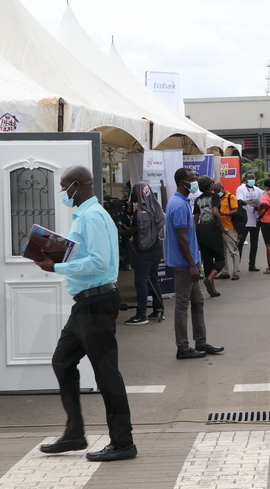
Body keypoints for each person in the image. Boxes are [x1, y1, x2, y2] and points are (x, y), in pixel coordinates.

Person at [34, 165, 136, 462]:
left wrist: (57, 266)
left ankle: (123, 442)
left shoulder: (92, 217)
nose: (62, 192)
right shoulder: (85, 215)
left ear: (76, 185)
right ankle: (74, 433)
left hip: (97, 302)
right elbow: (86, 256)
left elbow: (99, 262)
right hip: (86, 304)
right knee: (62, 361)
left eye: (64, 186)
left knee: (106, 374)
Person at [165, 168, 224, 359]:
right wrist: (192, 265)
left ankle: (200, 342)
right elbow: (182, 239)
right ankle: (182, 347)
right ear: (183, 183)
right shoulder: (179, 205)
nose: (196, 181)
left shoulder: (183, 201)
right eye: (193, 179)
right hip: (185, 264)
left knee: (197, 301)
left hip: (191, 262)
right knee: (182, 305)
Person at [121, 181, 165, 324]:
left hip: (144, 251)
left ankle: (141, 315)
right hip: (156, 247)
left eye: (133, 191)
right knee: (153, 279)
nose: (132, 194)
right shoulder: (155, 207)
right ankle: (159, 309)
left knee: (140, 282)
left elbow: (133, 231)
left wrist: (119, 231)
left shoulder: (140, 212)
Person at [193, 176, 225, 298]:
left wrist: (195, 233)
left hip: (201, 231)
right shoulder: (214, 196)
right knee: (220, 259)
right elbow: (216, 213)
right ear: (210, 185)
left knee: (207, 259)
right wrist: (223, 228)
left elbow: (196, 218)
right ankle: (210, 277)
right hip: (213, 230)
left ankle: (212, 289)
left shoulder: (198, 199)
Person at [236, 172, 263, 272]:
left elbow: (262, 203)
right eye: (250, 178)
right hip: (244, 220)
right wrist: (248, 201)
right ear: (245, 179)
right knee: (240, 243)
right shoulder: (240, 188)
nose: (252, 179)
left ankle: (252, 265)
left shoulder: (258, 190)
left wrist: (257, 206)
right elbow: (239, 202)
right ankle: (237, 266)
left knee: (254, 243)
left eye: (253, 178)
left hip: (255, 220)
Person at [214, 182, 241, 281]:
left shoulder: (230, 197)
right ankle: (225, 272)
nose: (216, 193)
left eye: (217, 191)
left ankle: (236, 272)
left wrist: (225, 213)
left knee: (233, 251)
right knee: (222, 252)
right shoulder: (217, 198)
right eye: (215, 192)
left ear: (222, 188)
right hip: (219, 228)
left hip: (229, 228)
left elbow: (235, 210)